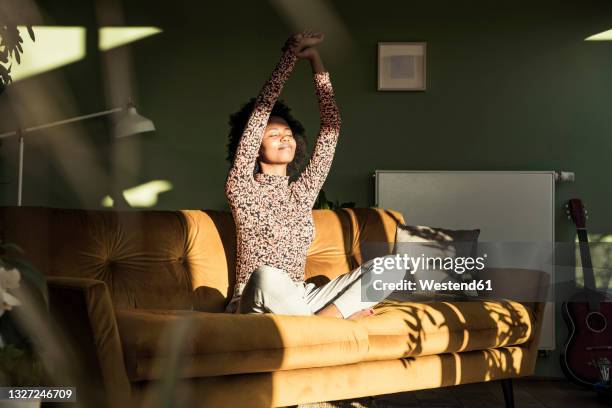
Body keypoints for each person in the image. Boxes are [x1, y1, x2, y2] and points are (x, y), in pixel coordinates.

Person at [224, 30, 385, 319]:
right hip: (257, 295)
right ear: (253, 147)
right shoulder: (241, 188)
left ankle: (325, 322)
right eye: (273, 134)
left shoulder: (302, 193)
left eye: (288, 133)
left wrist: (315, 61)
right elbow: (261, 111)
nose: (284, 138)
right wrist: (288, 59)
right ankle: (335, 321)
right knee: (266, 275)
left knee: (391, 269)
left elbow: (331, 128)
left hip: (302, 297)